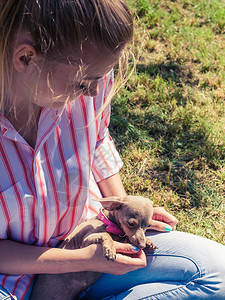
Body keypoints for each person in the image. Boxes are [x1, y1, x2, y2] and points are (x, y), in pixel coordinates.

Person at [0, 1, 224, 299]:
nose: (94, 92)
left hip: (91, 240)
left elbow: (97, 140)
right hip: (12, 278)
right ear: (26, 57)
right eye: (84, 83)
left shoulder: (90, 79)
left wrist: (122, 211)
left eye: (101, 77)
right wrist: (80, 260)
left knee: (216, 273)